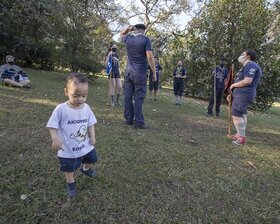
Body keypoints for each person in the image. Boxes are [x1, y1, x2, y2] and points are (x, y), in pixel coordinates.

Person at [47, 73, 98, 197]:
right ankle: (71, 182)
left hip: (85, 144)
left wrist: (92, 135)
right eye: (75, 95)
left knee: (92, 158)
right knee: (68, 168)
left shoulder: (86, 108)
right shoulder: (61, 109)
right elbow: (52, 125)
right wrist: (55, 139)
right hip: (67, 148)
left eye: (84, 96)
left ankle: (85, 169)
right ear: (66, 92)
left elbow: (90, 123)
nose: (80, 99)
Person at [121, 23, 156, 129]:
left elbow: (121, 34)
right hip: (140, 73)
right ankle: (139, 122)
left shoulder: (128, 39)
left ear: (135, 30)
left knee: (127, 96)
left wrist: (128, 28)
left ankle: (128, 119)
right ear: (143, 31)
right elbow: (150, 57)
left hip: (128, 72)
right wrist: (154, 72)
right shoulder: (145, 40)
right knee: (138, 97)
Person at [228, 49, 262, 145]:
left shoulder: (251, 65)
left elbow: (247, 81)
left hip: (244, 94)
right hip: (241, 94)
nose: (241, 56)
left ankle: (241, 138)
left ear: (248, 56)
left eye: (243, 54)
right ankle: (240, 134)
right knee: (242, 114)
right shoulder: (247, 66)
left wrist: (233, 85)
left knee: (236, 115)